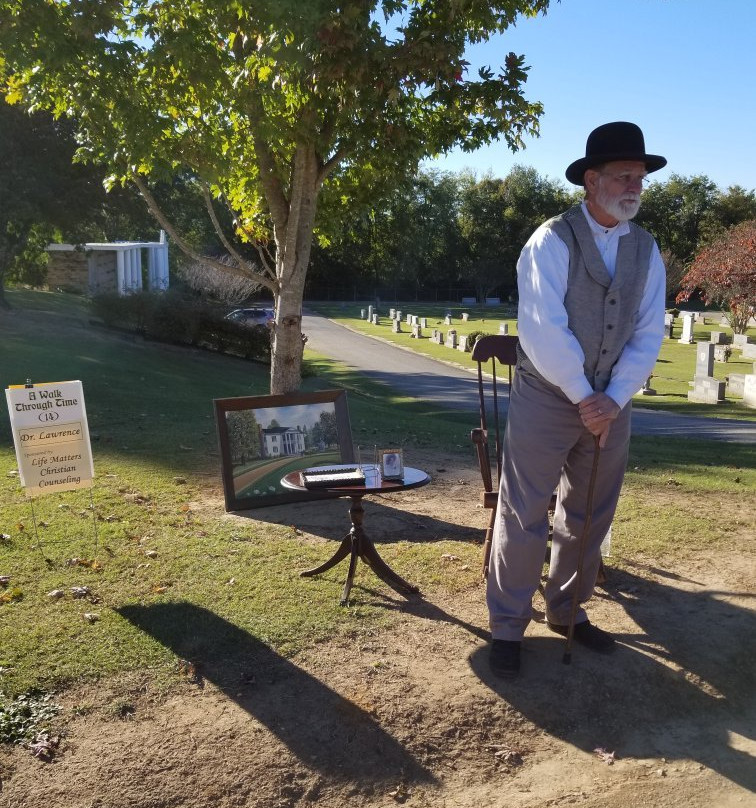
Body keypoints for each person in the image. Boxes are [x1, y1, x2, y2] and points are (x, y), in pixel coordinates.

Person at [487, 122, 667, 678]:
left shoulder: (646, 247)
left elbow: (647, 330)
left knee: (590, 509)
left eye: (640, 176)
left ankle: (567, 610)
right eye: (624, 175)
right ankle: (507, 625)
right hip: (548, 392)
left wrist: (611, 399)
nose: (635, 185)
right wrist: (586, 396)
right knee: (524, 510)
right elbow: (543, 328)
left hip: (610, 401)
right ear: (592, 180)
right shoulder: (551, 240)